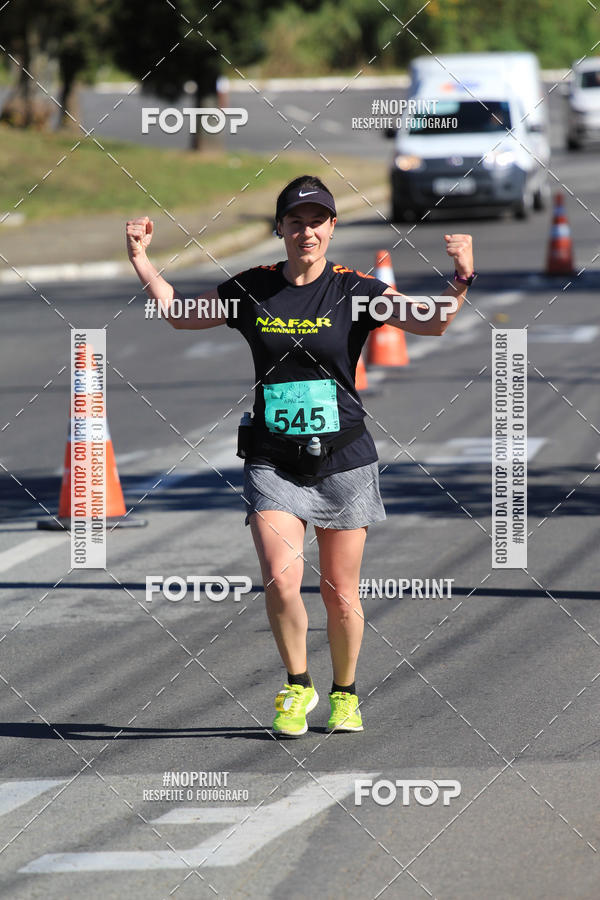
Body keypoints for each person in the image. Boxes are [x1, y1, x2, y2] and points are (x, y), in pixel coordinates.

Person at [126, 174, 474, 738]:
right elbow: (177, 312)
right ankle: (296, 684)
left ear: (332, 228)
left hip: (345, 458)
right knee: (281, 580)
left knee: (340, 593)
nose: (306, 231)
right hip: (272, 459)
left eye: (317, 221)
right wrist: (143, 260)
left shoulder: (355, 289)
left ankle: (344, 692)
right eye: (295, 221)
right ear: (281, 229)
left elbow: (431, 321)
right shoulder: (253, 287)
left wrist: (460, 278)